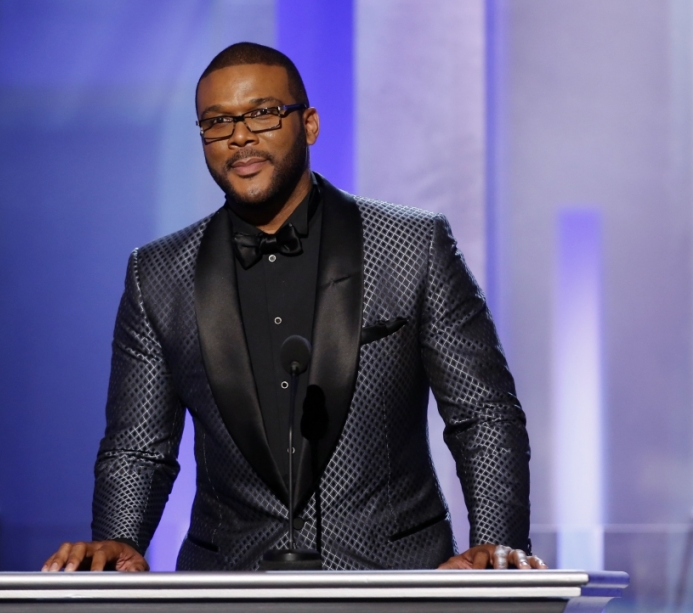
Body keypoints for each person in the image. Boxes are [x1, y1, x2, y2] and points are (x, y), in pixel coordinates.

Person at [43, 42, 546, 573]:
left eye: (261, 113)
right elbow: (138, 445)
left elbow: (482, 415)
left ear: (308, 124)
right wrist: (118, 541)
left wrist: (494, 553)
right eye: (217, 122)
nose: (239, 136)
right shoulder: (158, 273)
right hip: (229, 589)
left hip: (395, 584)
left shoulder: (411, 246)